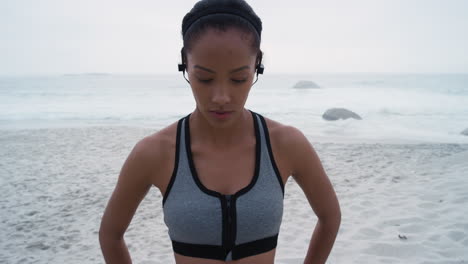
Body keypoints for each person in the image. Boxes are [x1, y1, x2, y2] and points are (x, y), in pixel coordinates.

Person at [99, 0, 341, 263]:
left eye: (238, 79)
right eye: (205, 78)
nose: (222, 97)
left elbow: (330, 217)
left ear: (257, 64)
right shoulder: (155, 152)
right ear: (185, 64)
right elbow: (110, 235)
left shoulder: (286, 143)